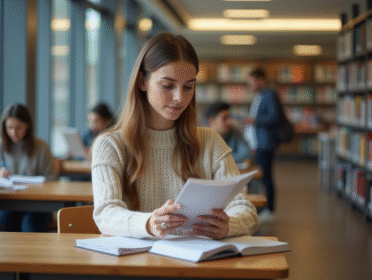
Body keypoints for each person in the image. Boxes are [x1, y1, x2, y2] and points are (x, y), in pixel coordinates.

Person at [91, 32, 259, 240]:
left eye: (188, 86)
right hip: (136, 267)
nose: (180, 97)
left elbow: (245, 210)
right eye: (168, 85)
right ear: (142, 81)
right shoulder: (110, 145)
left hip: (196, 265)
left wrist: (228, 226)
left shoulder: (210, 142)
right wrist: (148, 224)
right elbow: (105, 215)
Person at [0, 104, 57, 232]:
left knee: (29, 228)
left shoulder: (42, 147)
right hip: (7, 204)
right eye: (9, 128)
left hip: (37, 206)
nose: (14, 132)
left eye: (18, 128)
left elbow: (51, 179)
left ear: (28, 125)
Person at [243, 68, 281, 223]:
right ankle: (264, 208)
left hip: (266, 143)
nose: (250, 85)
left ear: (261, 80)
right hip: (258, 143)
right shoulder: (259, 96)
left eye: (252, 81)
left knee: (266, 177)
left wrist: (254, 121)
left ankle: (270, 210)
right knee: (263, 176)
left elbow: (274, 117)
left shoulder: (269, 94)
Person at [205, 101, 253, 169]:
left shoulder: (234, 132)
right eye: (225, 118)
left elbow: (247, 154)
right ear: (212, 121)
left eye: (230, 117)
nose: (229, 122)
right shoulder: (203, 137)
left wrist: (218, 159)